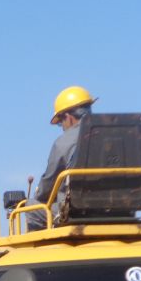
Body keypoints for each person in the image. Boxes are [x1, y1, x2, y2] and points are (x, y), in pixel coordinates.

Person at [28, 85, 97, 230]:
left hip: (76, 212)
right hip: (120, 210)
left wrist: (38, 198)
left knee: (30, 208)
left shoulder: (63, 142)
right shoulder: (120, 135)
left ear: (68, 117)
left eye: (60, 122)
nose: (62, 126)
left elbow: (48, 184)